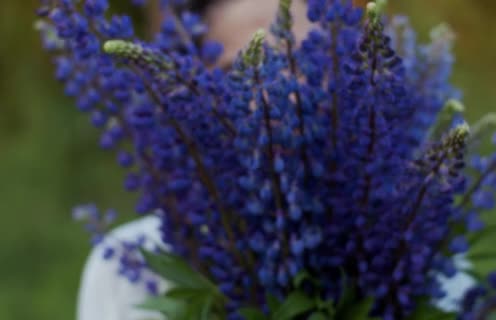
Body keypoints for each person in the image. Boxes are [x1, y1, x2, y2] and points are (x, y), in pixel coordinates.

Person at [77, 1, 474, 319]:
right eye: (239, 71)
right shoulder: (126, 270)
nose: (278, 93)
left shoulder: (428, 258)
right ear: (191, 91)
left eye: (300, 65)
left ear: (343, 77)